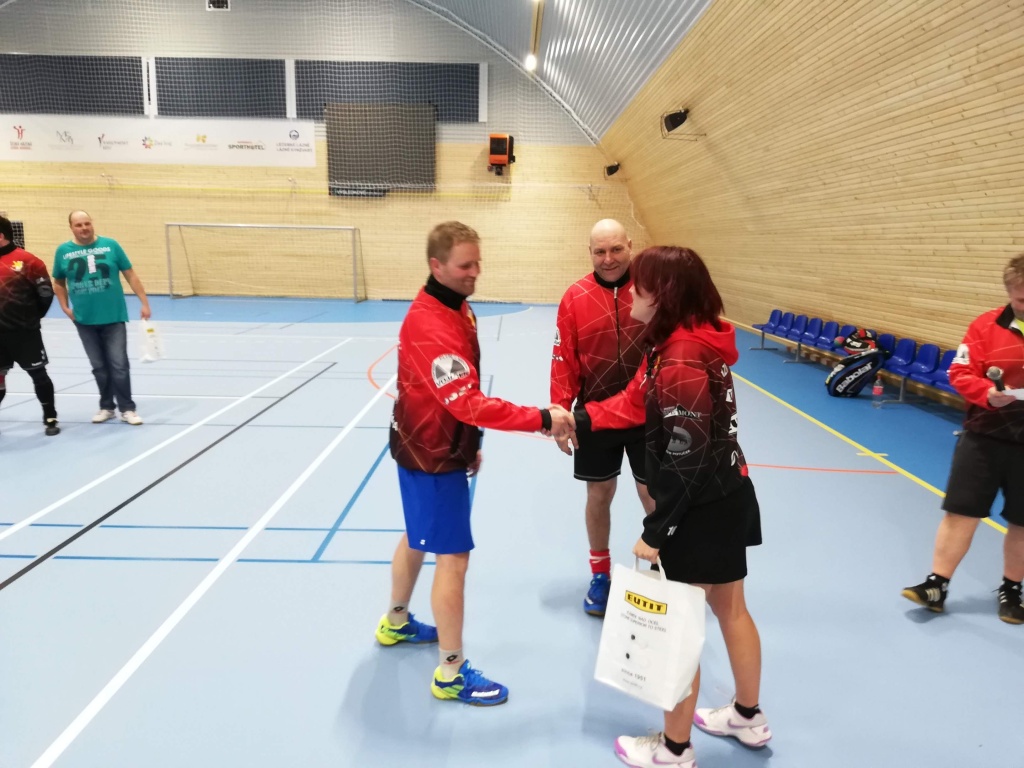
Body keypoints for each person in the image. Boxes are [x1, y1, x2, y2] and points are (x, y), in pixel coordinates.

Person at [567, 246, 769, 767]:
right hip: (728, 494)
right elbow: (631, 403)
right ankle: (748, 716)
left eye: (640, 285)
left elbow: (687, 458)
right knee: (731, 609)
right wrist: (572, 419)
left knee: (679, 630)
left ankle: (674, 749)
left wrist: (656, 530)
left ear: (664, 295)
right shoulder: (679, 344)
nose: (630, 293)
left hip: (699, 509)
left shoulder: (680, 358)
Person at [377, 221, 575, 707]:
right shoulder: (433, 325)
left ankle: (395, 622)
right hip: (431, 456)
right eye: (465, 265)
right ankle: (450, 672)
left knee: (417, 533)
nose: (475, 273)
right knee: (453, 558)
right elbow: (467, 402)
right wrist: (542, 418)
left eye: (478, 263)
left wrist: (468, 443)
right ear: (437, 265)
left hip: (427, 445)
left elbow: (453, 397)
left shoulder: (455, 307)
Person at [902, 254, 1024, 625]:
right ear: (1009, 293)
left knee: (1022, 522)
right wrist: (987, 393)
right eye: (1021, 299)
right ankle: (936, 585)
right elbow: (961, 372)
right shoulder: (985, 326)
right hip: (985, 435)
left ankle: (1011, 591)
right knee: (961, 512)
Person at [551, 219, 656, 617]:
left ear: (630, 246)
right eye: (600, 251)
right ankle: (600, 575)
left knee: (653, 494)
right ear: (590, 253)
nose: (608, 259)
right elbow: (563, 359)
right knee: (599, 494)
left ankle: (663, 566)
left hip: (648, 412)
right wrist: (560, 411)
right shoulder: (574, 297)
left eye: (616, 249)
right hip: (594, 416)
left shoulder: (650, 290)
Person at [52, 210, 151, 426]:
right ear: (71, 227)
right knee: (98, 366)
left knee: (119, 364)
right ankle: (107, 407)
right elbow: (58, 282)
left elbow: (130, 274)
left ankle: (127, 408)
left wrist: (144, 302)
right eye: (79, 225)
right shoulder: (63, 251)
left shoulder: (110, 245)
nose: (84, 228)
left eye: (87, 223)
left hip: (113, 316)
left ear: (92, 224)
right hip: (84, 319)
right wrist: (65, 307)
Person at [0, 215, 60, 436]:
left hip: (25, 334)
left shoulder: (29, 261)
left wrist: (32, 319)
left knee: (39, 375)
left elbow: (45, 294)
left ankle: (50, 418)